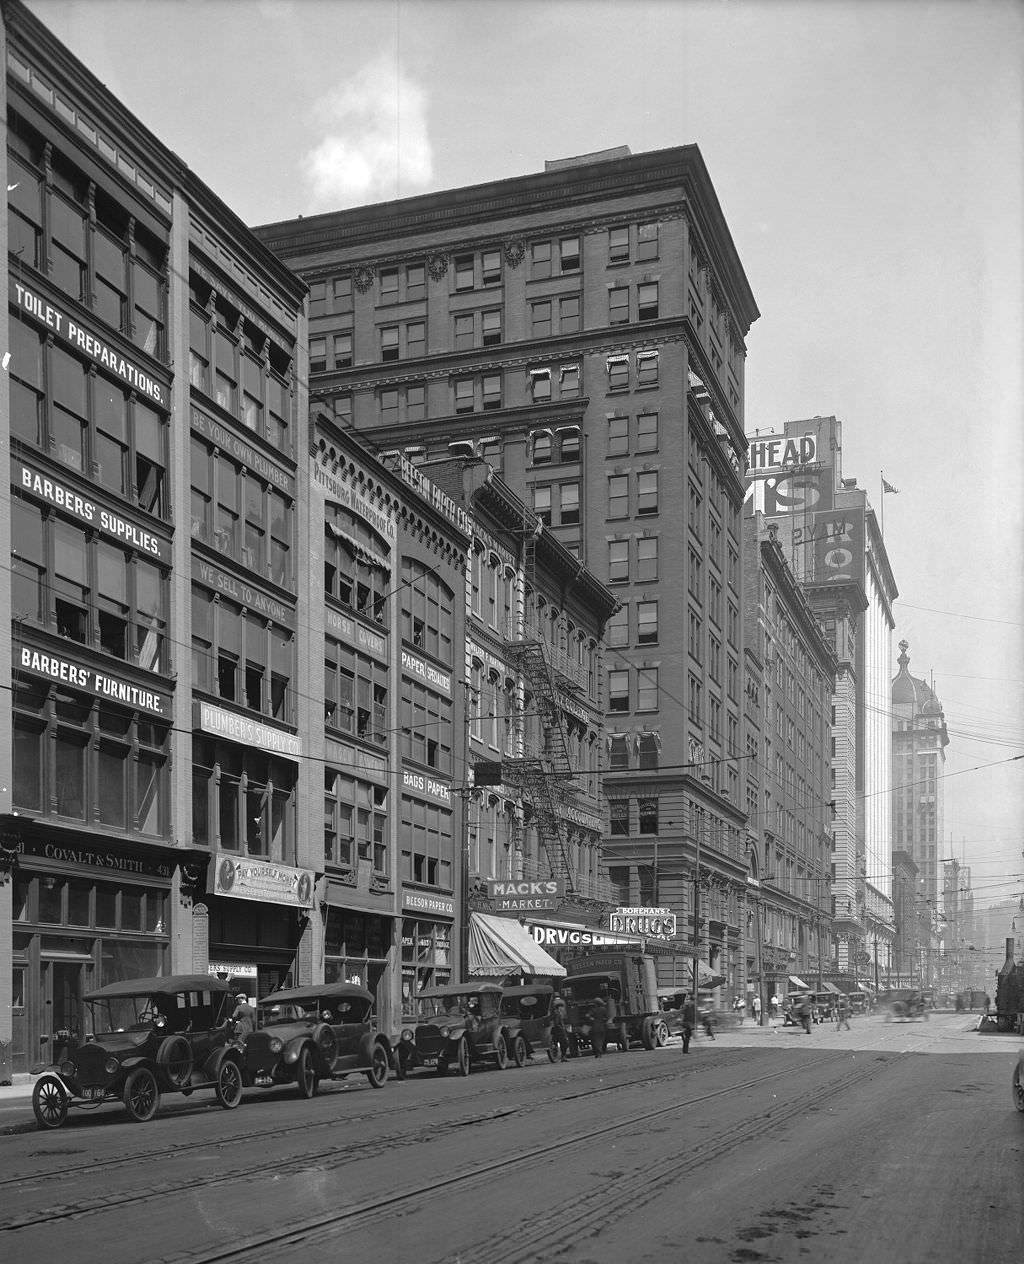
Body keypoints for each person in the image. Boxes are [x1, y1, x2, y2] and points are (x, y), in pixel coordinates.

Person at [551, 993, 570, 1060]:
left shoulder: (556, 1010)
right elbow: (557, 1023)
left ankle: (563, 1056)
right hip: (560, 1030)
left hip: (558, 1029)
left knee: (563, 1043)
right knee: (565, 1042)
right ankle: (563, 1056)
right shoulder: (557, 1012)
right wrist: (562, 1028)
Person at [589, 993, 608, 1057]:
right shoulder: (604, 1009)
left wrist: (591, 1018)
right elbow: (606, 1017)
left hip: (594, 1027)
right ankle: (599, 1052)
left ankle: (598, 1053)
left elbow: (588, 1016)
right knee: (601, 1041)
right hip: (602, 1027)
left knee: (595, 1041)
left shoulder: (593, 1010)